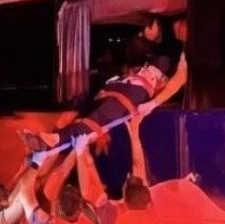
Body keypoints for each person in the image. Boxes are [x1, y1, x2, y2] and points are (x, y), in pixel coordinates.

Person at [20, 15, 187, 155]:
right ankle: (52, 139)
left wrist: (152, 104)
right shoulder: (154, 49)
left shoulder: (177, 56)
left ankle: (52, 140)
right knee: (85, 110)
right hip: (118, 84)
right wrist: (144, 39)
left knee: (96, 121)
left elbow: (179, 79)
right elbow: (132, 55)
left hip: (133, 91)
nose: (180, 30)